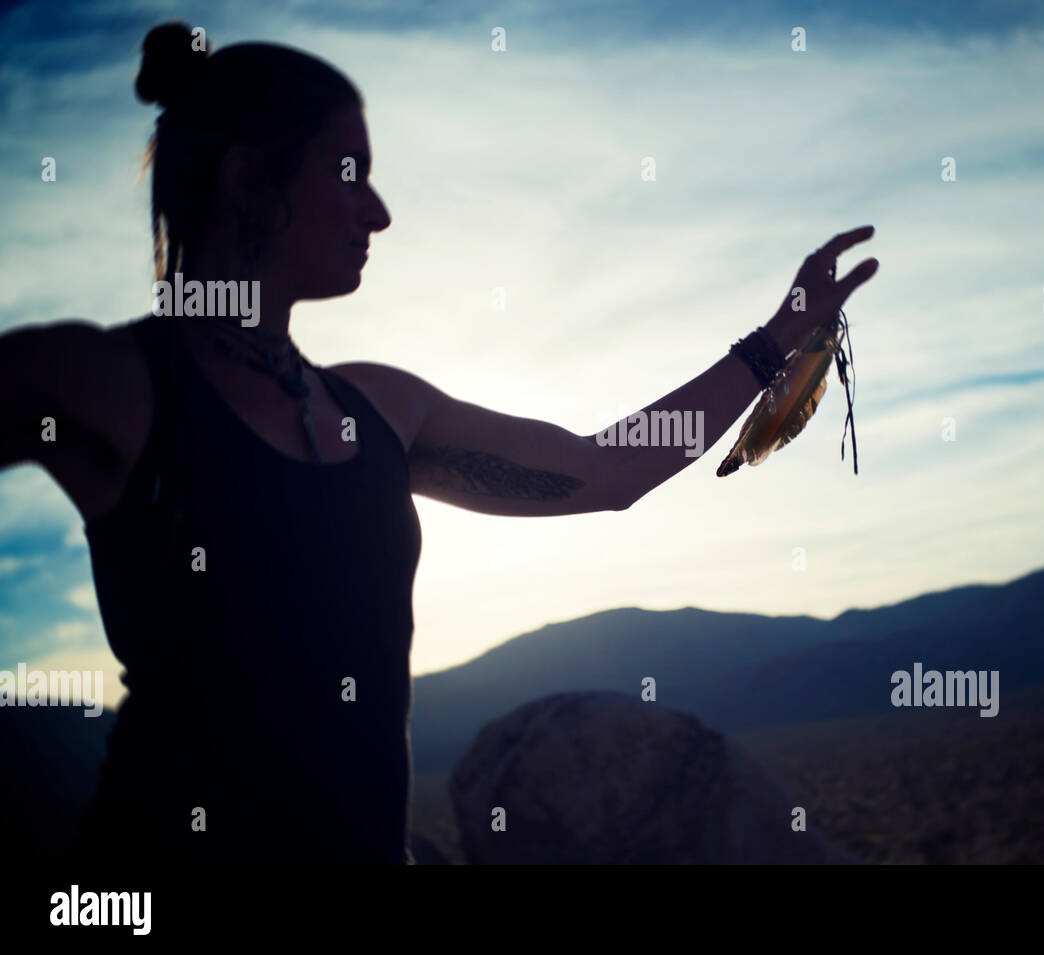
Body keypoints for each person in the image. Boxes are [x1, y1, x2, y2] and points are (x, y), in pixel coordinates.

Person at [0, 21, 878, 864]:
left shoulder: (383, 408)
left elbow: (608, 469)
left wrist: (777, 337)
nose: (377, 213)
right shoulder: (112, 381)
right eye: (349, 174)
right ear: (244, 178)